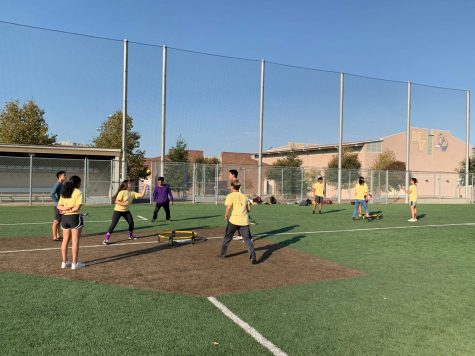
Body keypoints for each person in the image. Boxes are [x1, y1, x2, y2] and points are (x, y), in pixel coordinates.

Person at [219, 180, 257, 264]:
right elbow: (248, 210)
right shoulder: (244, 196)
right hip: (244, 221)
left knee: (227, 238)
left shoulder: (230, 196)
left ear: (232, 187)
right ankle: (253, 257)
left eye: (231, 186)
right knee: (247, 240)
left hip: (234, 221)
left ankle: (222, 254)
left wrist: (226, 216)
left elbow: (228, 207)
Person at [103, 180, 148, 245]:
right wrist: (123, 204)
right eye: (129, 183)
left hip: (126, 211)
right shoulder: (122, 192)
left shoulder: (132, 193)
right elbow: (116, 201)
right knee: (113, 224)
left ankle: (130, 236)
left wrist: (144, 187)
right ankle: (106, 239)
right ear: (126, 185)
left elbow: (141, 195)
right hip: (118, 211)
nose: (131, 184)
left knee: (131, 223)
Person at [57, 175, 84, 270]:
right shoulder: (78, 192)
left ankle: (64, 262)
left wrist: (65, 209)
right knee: (75, 241)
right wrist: (69, 208)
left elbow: (59, 206)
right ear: (77, 183)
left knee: (65, 241)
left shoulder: (64, 191)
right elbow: (77, 208)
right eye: (80, 182)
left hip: (64, 218)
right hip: (74, 218)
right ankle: (74, 264)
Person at [50, 170, 66, 241]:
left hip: (61, 205)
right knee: (56, 221)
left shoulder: (61, 184)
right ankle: (54, 236)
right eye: (64, 175)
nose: (66, 176)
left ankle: (58, 235)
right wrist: (57, 203)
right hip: (58, 205)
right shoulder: (58, 184)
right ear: (60, 177)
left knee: (59, 221)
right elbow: (52, 194)